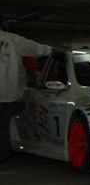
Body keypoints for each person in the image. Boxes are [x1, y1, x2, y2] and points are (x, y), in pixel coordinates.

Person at [0, 23, 52, 163]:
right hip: (8, 93)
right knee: (3, 125)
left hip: (8, 93)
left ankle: (4, 151)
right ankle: (3, 152)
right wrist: (53, 50)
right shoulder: (13, 39)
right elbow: (36, 49)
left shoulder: (13, 40)